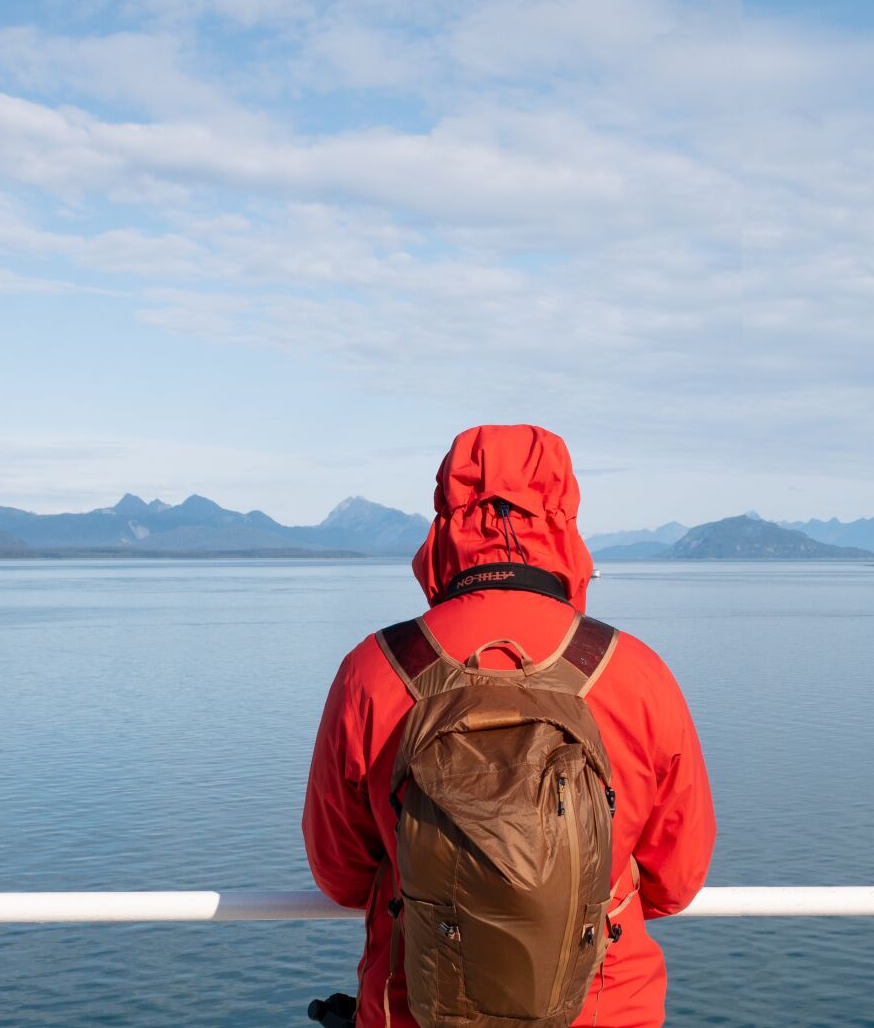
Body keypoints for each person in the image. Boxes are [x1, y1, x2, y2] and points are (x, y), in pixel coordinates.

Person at [304, 424, 716, 1027]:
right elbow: (674, 883)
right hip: (603, 1009)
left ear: (443, 520)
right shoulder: (633, 672)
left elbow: (339, 875)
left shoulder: (375, 671)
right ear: (566, 520)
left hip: (413, 1008)